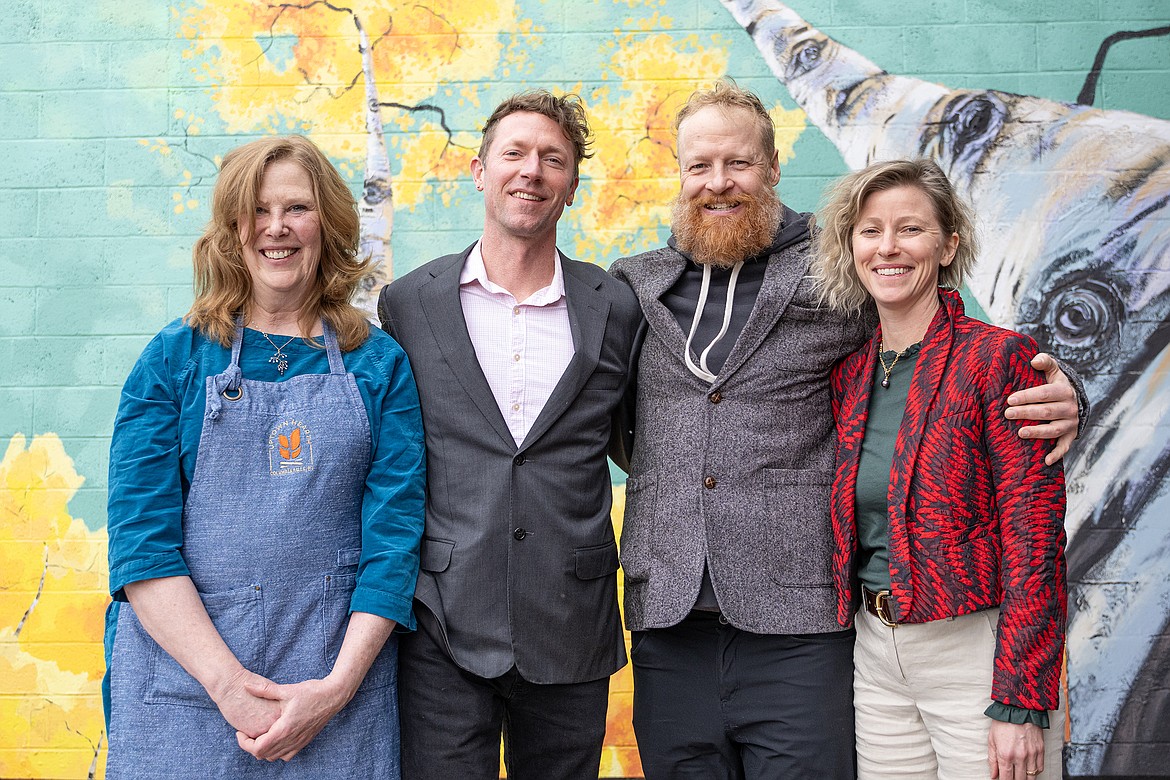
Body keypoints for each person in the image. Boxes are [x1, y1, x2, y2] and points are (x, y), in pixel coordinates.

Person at [609, 81, 1083, 779]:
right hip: (675, 619)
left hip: (806, 621)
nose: (719, 182)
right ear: (679, 174)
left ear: (772, 168)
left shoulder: (838, 272)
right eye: (699, 166)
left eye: (738, 163)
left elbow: (957, 352)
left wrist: (1071, 394)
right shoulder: (632, 286)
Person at [104, 135, 426, 778]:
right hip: (186, 697)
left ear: (328, 224)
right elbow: (141, 545)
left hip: (334, 699)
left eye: (297, 209)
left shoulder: (379, 366)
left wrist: (332, 691)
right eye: (257, 209)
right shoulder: (173, 361)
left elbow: (394, 544)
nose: (276, 228)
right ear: (230, 229)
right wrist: (228, 687)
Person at [377, 90, 641, 780]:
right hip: (442, 617)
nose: (532, 171)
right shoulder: (409, 302)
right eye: (515, 153)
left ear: (573, 186)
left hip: (571, 617)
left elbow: (639, 438)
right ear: (478, 169)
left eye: (553, 159)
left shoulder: (615, 306)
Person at [814, 158, 1067, 779]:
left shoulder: (997, 359)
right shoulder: (849, 374)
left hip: (976, 654)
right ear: (852, 247)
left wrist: (1021, 698)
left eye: (911, 229)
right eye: (870, 231)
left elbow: (1034, 539)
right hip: (876, 657)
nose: (888, 247)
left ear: (948, 243)